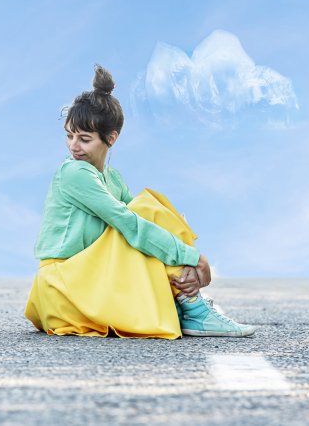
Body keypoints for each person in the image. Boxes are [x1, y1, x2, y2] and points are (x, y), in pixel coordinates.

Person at [24, 65, 255, 339]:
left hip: (87, 280)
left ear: (111, 139)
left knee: (151, 210)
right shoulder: (74, 172)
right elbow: (130, 224)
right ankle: (192, 306)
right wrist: (194, 257)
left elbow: (144, 224)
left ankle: (186, 298)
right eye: (70, 135)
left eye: (84, 139)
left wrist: (181, 247)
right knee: (145, 211)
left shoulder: (112, 179)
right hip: (63, 284)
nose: (73, 146)